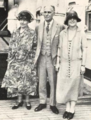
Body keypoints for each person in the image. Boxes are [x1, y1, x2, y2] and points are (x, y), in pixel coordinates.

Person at [1, 10, 37, 110]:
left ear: (29, 21)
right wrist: (10, 60)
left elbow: (35, 47)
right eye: (21, 19)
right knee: (17, 81)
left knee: (27, 81)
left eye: (25, 20)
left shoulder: (32, 33)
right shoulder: (15, 32)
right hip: (15, 61)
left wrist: (32, 60)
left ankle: (27, 101)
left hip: (27, 61)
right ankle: (19, 100)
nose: (23, 22)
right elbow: (11, 46)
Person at [56, 10, 87, 119]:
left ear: (77, 20)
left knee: (73, 86)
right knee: (64, 86)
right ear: (67, 21)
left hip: (76, 63)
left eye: (74, 19)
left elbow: (85, 50)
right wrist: (57, 62)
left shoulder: (81, 33)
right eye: (70, 19)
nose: (72, 21)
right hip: (64, 64)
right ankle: (67, 108)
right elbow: (59, 48)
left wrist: (83, 65)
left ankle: (72, 109)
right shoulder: (62, 33)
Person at [34, 5, 64, 114]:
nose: (46, 14)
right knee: (41, 82)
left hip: (53, 58)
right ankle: (42, 102)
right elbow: (36, 42)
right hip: (41, 57)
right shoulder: (38, 26)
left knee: (53, 82)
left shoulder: (60, 26)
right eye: (45, 12)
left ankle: (53, 104)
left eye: (49, 12)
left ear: (53, 13)